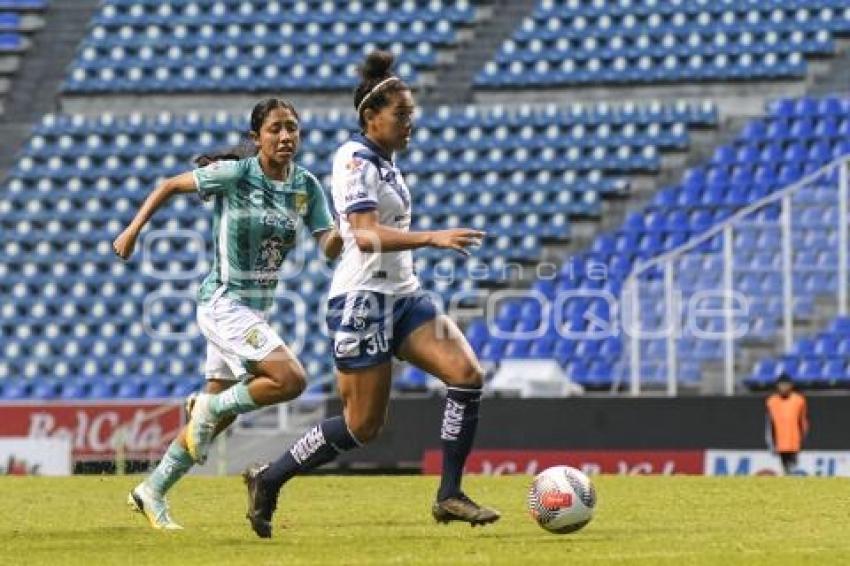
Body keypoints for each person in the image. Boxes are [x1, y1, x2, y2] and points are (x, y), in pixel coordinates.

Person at [240, 51, 500, 539]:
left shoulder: (388, 165)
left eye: (412, 115)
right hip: (362, 300)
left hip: (403, 295)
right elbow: (362, 233)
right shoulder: (353, 158)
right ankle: (269, 478)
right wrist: (431, 237)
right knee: (363, 426)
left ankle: (448, 495)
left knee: (466, 376)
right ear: (370, 117)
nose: (410, 124)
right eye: (401, 115)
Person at [112, 98, 342, 529]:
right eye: (275, 129)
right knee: (290, 379)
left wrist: (347, 233)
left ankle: (151, 490)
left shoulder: (306, 186)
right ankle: (208, 404)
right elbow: (167, 185)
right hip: (223, 302)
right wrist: (132, 230)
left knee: (216, 420)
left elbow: (327, 243)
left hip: (255, 310)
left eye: (292, 128)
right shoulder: (236, 174)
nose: (286, 136)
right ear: (256, 138)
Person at [766, 373, 809, 475]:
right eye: (781, 384)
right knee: (785, 468)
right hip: (780, 442)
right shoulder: (771, 401)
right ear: (777, 386)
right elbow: (769, 424)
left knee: (794, 467)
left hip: (795, 441)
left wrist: (803, 439)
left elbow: (803, 421)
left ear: (791, 385)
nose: (783, 387)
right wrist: (771, 443)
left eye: (786, 384)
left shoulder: (799, 400)